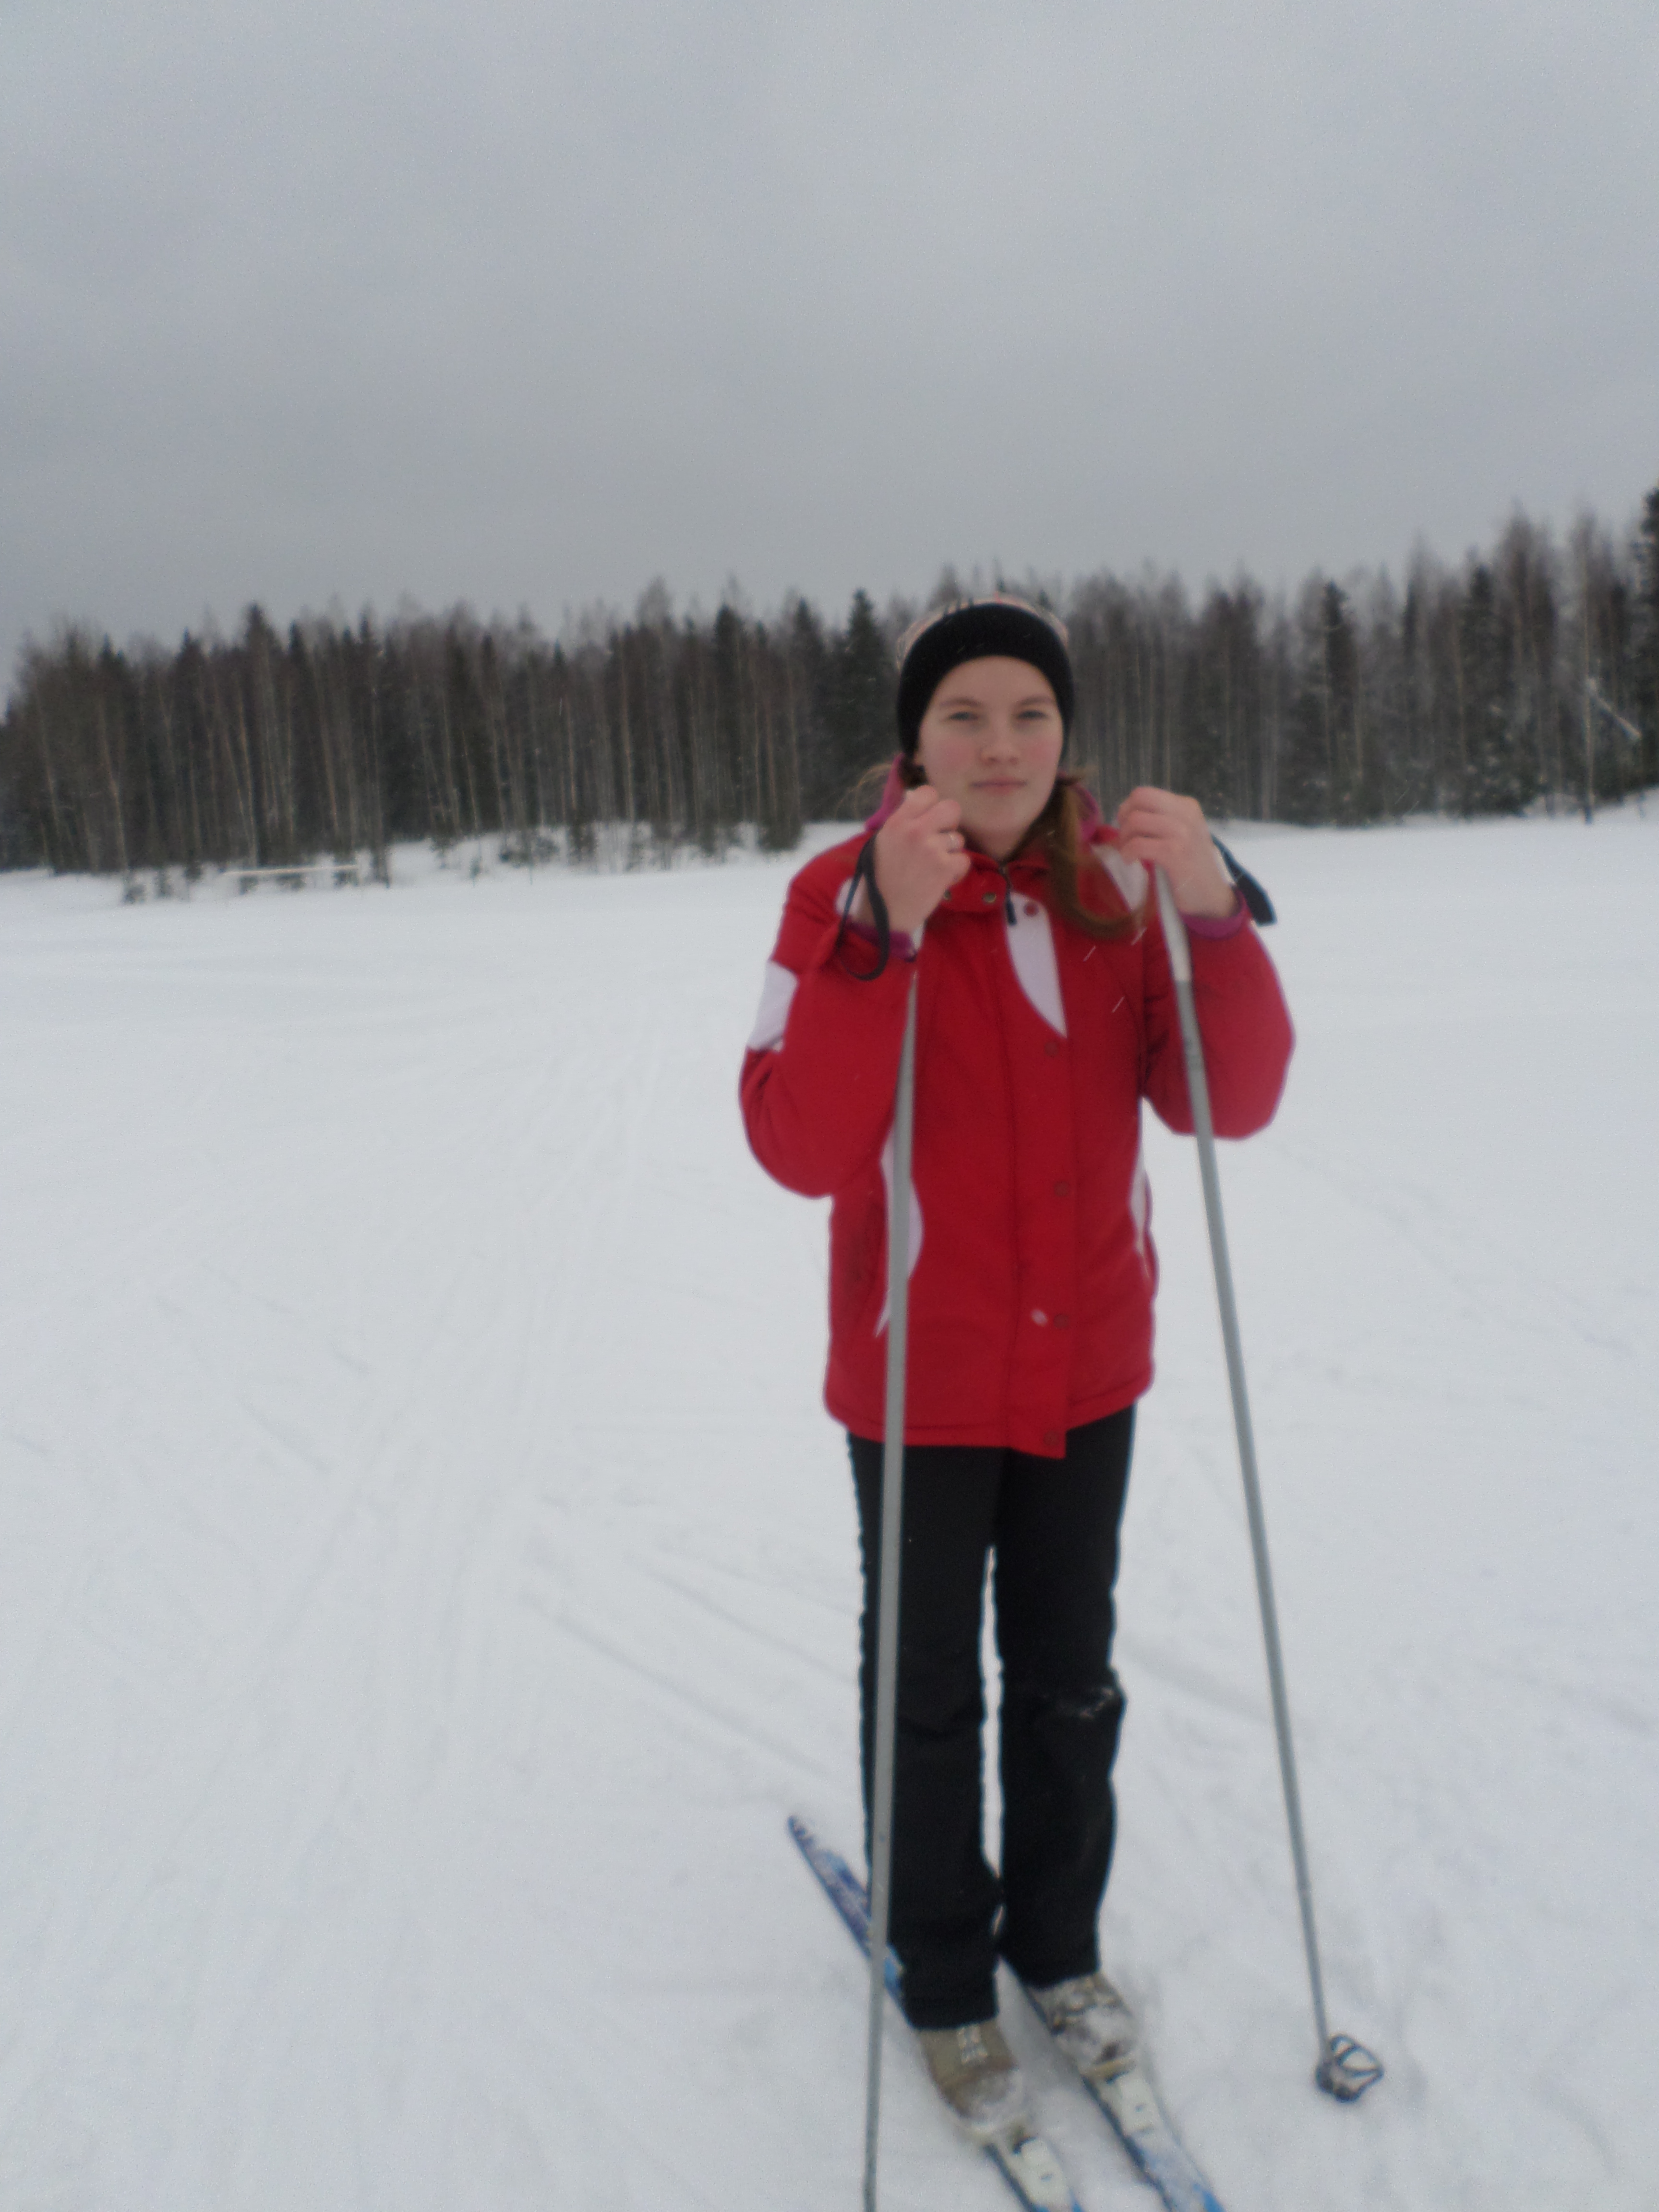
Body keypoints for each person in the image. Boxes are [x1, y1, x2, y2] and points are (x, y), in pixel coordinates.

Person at [740, 596, 1293, 2140]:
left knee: (1068, 1677)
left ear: (1068, 734)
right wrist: (881, 935)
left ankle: (1056, 1946)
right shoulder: (836, 894)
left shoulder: (1117, 886)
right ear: (915, 740)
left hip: (1089, 1364)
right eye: (964, 716)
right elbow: (796, 1140)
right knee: (927, 1692)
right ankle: (943, 1975)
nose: (1001, 746)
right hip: (918, 1377)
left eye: (1031, 714)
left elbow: (1229, 1098)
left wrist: (1211, 916)